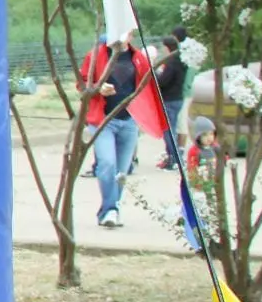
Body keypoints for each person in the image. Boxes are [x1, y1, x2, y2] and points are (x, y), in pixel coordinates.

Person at [78, 35, 146, 227]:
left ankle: (109, 208)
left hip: (130, 120)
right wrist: (98, 88)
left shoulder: (138, 57)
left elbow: (146, 87)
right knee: (106, 164)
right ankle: (111, 210)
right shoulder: (95, 55)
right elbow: (82, 83)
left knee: (121, 172)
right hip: (103, 120)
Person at [153, 36, 187, 169]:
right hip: (178, 97)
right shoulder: (181, 60)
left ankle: (174, 157)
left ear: (167, 47)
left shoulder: (171, 62)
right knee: (171, 128)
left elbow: (163, 81)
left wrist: (155, 75)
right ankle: (173, 157)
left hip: (169, 99)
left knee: (168, 130)